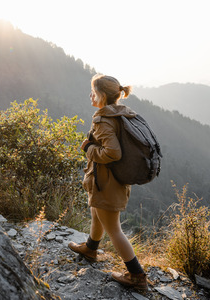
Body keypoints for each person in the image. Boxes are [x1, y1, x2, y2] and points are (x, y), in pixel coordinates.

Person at [68, 74, 148, 290]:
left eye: (93, 92)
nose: (90, 96)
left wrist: (88, 149)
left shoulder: (103, 121)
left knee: (114, 230)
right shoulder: (122, 114)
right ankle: (91, 248)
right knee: (97, 213)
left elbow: (113, 153)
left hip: (107, 182)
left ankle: (137, 276)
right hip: (109, 180)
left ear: (102, 96)